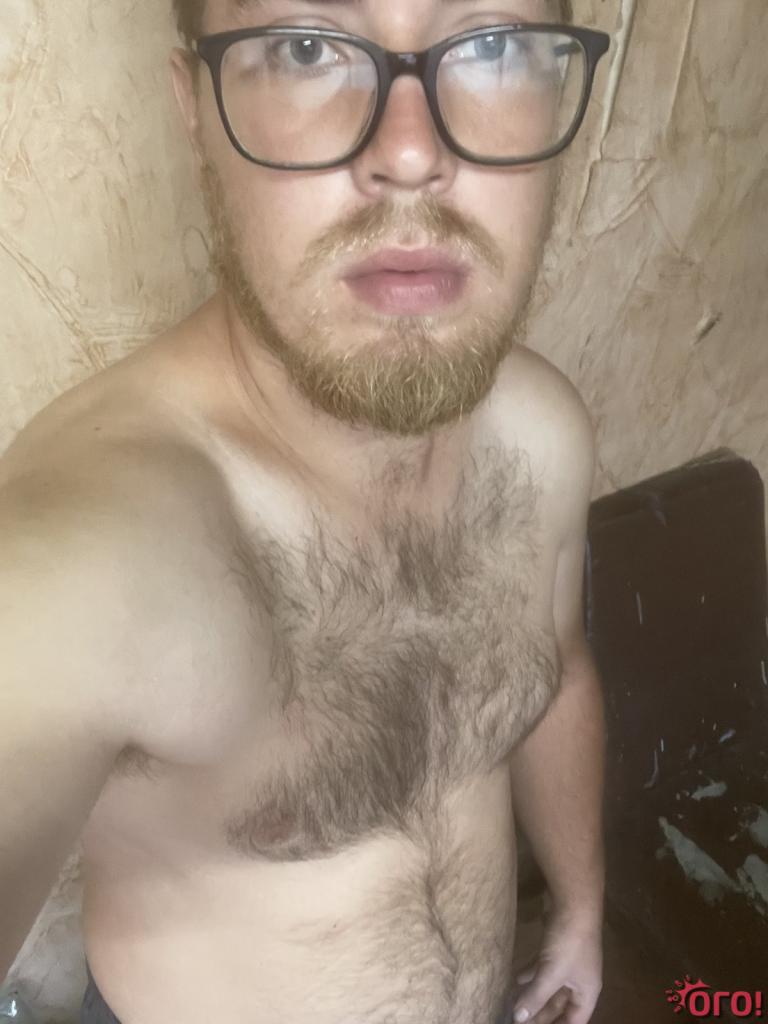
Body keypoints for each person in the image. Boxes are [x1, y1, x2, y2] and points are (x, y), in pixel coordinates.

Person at [0, 1, 611, 1021]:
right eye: (307, 46)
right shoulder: (89, 555)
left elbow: (559, 670)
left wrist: (581, 915)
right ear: (194, 111)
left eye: (493, 44)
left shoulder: (545, 435)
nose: (410, 154)